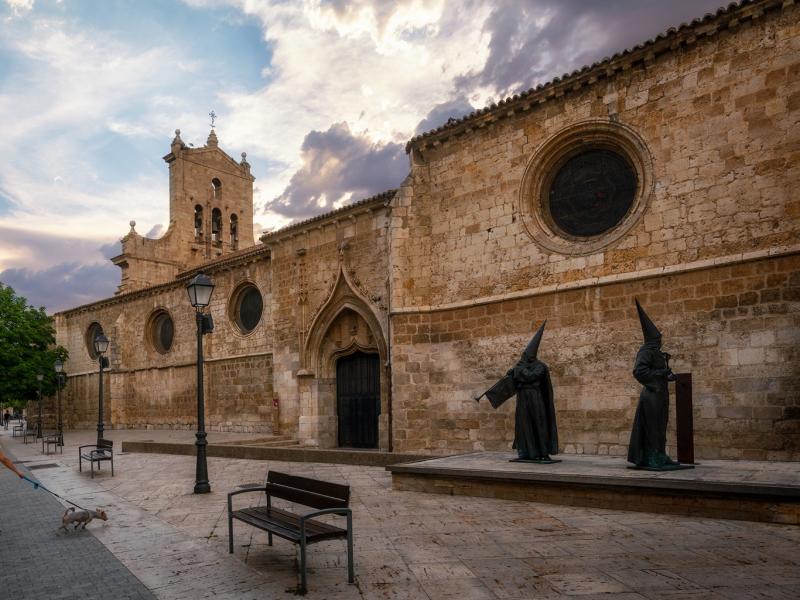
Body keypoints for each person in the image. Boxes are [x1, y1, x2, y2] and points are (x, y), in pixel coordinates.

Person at [477, 321, 559, 462]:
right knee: (523, 424)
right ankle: (527, 451)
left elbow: (530, 376)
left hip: (535, 397)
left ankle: (542, 452)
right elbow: (517, 379)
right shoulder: (521, 366)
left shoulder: (540, 366)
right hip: (523, 397)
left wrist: (518, 371)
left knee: (538, 423)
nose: (525, 355)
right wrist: (512, 374)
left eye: (527, 353)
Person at [627, 300, 682, 469]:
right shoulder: (646, 351)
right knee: (652, 427)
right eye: (657, 337)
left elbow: (656, 373)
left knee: (661, 425)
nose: (660, 339)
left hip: (660, 394)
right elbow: (639, 371)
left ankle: (660, 454)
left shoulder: (656, 353)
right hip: (651, 394)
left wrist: (668, 377)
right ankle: (652, 456)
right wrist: (660, 374)